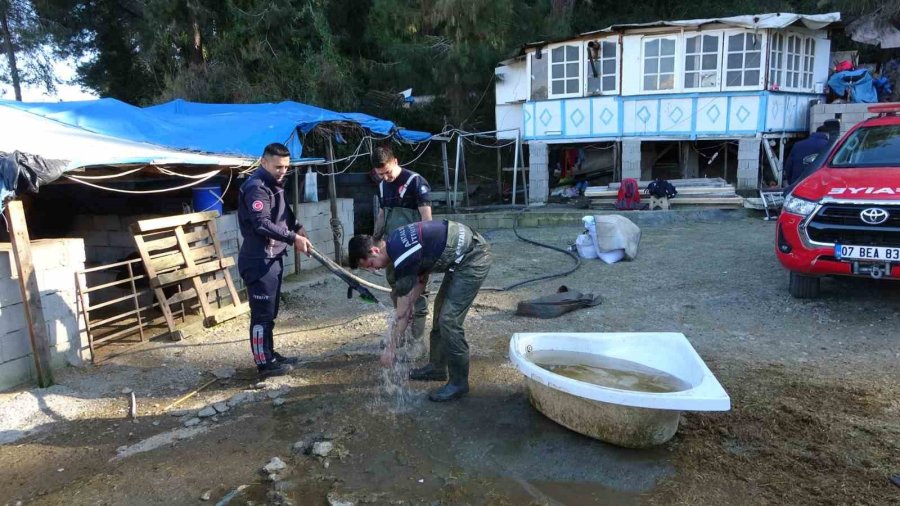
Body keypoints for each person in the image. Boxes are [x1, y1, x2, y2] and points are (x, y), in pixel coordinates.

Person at [348, 220, 492, 402]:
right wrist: (407, 305)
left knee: (449, 320)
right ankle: (437, 368)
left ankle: (459, 383)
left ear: (374, 251)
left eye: (370, 264)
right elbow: (421, 279)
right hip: (461, 257)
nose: (374, 269)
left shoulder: (402, 257)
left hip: (473, 257)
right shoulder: (394, 242)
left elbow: (401, 313)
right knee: (440, 315)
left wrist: (390, 349)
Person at [238, 143, 311, 378]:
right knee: (261, 314)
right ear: (264, 162)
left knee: (270, 312)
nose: (282, 171)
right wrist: (293, 238)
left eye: (286, 167)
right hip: (259, 260)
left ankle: (269, 353)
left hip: (274, 257)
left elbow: (284, 213)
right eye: (278, 166)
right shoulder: (256, 188)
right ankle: (263, 363)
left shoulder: (275, 185)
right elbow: (262, 223)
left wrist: (297, 227)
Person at [371, 145, 433, 354]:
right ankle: (401, 336)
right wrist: (375, 240)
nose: (386, 177)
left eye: (387, 172)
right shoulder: (382, 186)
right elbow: (382, 215)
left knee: (417, 294)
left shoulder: (415, 182)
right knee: (397, 292)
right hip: (392, 250)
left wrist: (426, 253)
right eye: (381, 174)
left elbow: (427, 219)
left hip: (414, 249)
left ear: (395, 161)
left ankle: (417, 341)